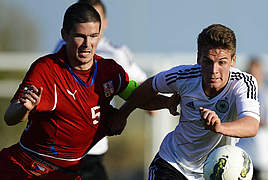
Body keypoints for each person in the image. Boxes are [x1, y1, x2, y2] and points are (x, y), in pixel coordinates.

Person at [0, 3, 175, 179]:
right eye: (80, 36)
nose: (87, 44)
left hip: (72, 171)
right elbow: (10, 116)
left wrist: (169, 103)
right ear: (65, 35)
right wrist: (24, 108)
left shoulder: (109, 71)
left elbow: (139, 97)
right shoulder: (46, 69)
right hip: (25, 167)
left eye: (93, 36)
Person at [114, 24, 261, 179]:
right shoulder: (184, 76)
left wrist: (219, 127)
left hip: (210, 171)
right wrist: (122, 114)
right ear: (198, 58)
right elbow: (150, 86)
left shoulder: (243, 83)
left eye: (222, 63)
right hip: (172, 164)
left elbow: (251, 125)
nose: (214, 70)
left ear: (233, 60)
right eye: (208, 61)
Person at [54, 0, 148, 179]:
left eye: (95, 16)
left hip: (93, 147)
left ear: (104, 21)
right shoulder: (65, 45)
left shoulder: (116, 53)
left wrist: (127, 112)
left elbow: (140, 86)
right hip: (61, 146)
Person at [237, 58, 268, 180]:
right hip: (243, 156)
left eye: (255, 73)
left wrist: (249, 121)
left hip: (263, 158)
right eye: (250, 73)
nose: (253, 77)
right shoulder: (240, 94)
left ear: (262, 74)